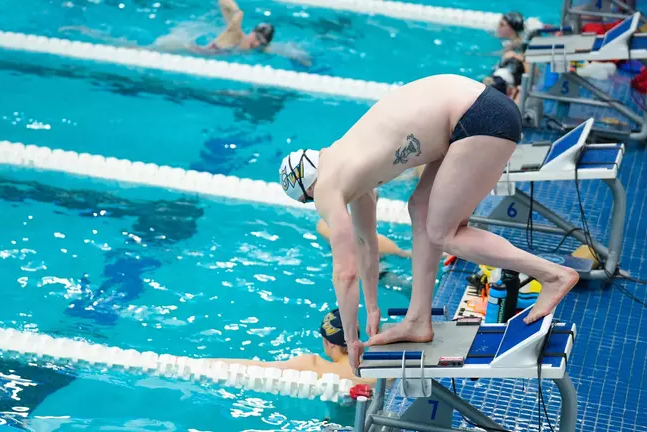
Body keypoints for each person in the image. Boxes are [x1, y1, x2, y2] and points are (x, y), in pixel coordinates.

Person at [277, 74, 580, 370]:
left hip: (477, 117)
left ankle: (552, 275)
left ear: (307, 192)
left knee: (443, 233)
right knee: (419, 209)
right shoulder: (349, 170)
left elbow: (345, 273)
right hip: (475, 110)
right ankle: (418, 319)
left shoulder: (326, 187)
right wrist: (371, 309)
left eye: (309, 202)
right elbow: (366, 244)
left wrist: (352, 341)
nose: (318, 207)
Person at [61, 0, 312, 66]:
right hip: (182, 47)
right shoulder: (236, 35)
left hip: (195, 50)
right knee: (136, 50)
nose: (255, 44)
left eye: (260, 43)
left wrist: (300, 57)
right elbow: (228, 8)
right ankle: (85, 32)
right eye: (256, 38)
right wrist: (237, 14)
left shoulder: (259, 48)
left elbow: (282, 49)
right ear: (252, 34)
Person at [212, 309, 375, 386]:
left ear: (330, 342)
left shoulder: (314, 366)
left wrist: (210, 363)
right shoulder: (378, 369)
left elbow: (259, 368)